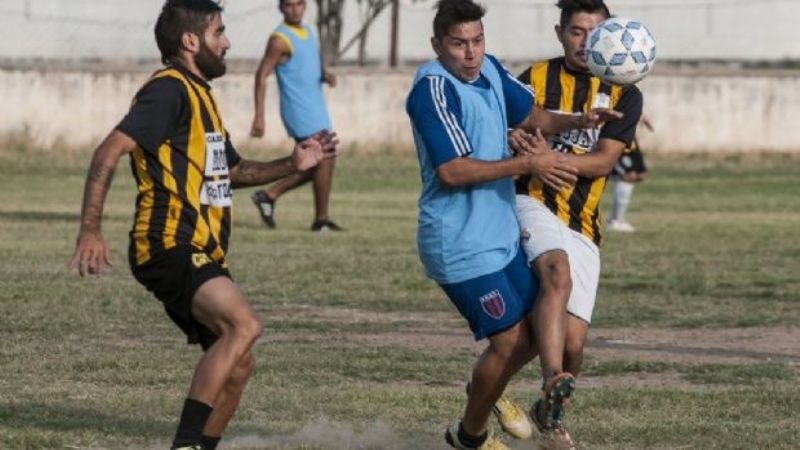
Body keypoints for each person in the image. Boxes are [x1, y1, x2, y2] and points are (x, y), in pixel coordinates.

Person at [68, 1, 336, 449]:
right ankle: (186, 445)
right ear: (190, 41)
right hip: (168, 241)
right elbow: (109, 150)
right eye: (219, 32)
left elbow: (233, 171)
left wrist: (293, 162)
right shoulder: (168, 90)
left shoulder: (200, 97)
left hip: (200, 246)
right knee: (244, 326)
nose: (228, 41)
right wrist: (90, 230)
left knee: (239, 361)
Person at [406, 1, 620, 448]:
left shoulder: (490, 72)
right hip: (459, 243)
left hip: (499, 233)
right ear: (437, 45)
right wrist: (528, 163)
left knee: (533, 335)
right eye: (459, 44)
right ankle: (470, 436)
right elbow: (453, 170)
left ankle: (484, 397)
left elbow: (533, 117)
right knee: (508, 341)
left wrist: (580, 121)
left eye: (478, 41)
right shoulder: (433, 90)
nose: (470, 53)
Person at [512, 0, 643, 442]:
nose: (585, 41)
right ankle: (550, 380)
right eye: (576, 31)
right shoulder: (531, 80)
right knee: (557, 273)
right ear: (559, 32)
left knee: (574, 344)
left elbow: (604, 162)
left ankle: (546, 410)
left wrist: (547, 155)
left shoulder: (626, 92)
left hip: (583, 221)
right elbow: (504, 131)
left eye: (595, 32)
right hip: (531, 201)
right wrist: (521, 147)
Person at [249, 0, 341, 232]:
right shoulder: (280, 39)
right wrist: (259, 116)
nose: (295, 9)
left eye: (299, 4)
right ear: (281, 8)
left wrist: (325, 76)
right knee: (323, 156)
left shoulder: (308, 31)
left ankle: (269, 195)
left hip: (315, 106)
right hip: (298, 109)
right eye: (289, 5)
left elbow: (305, 67)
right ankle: (321, 220)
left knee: (318, 162)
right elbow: (261, 74)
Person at [607, 117, 654, 232]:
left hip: (629, 136)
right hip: (617, 136)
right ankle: (616, 220)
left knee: (638, 175)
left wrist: (639, 117)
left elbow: (628, 104)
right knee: (627, 177)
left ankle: (616, 219)